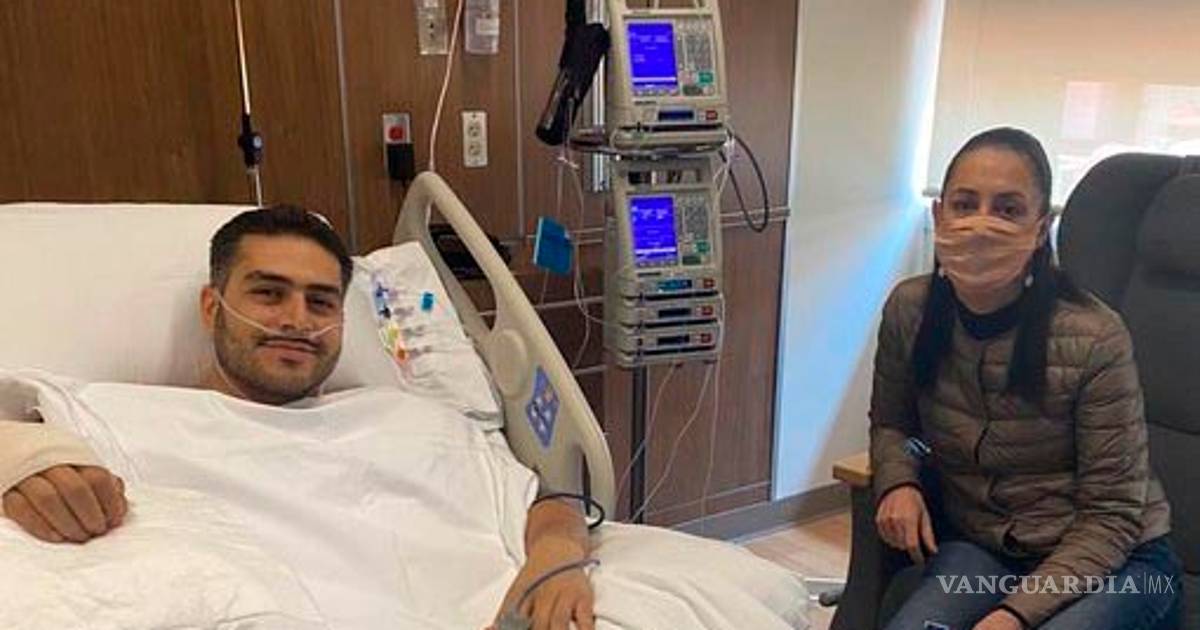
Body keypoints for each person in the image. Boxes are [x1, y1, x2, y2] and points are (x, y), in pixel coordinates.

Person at [0, 206, 594, 630]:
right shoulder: (125, 416)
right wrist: (26, 461)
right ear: (212, 307)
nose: (297, 319)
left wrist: (557, 556)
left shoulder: (414, 417)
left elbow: (542, 502)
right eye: (268, 293)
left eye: (320, 301)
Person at [870, 128, 1182, 630]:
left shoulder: (1094, 336)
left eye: (1008, 209)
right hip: (986, 549)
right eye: (965, 204)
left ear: (1040, 229)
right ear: (939, 214)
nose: (981, 224)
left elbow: (1112, 516)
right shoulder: (911, 309)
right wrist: (898, 481)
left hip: (1118, 564)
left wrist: (1012, 616)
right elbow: (894, 426)